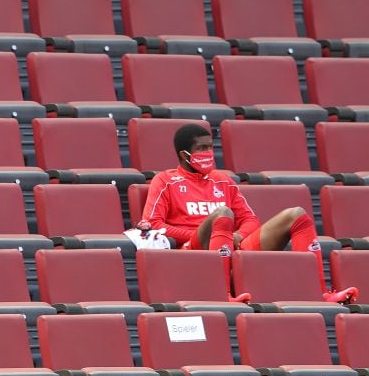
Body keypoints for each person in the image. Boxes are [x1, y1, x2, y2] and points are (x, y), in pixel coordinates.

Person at [141, 123, 358, 303]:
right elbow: (154, 224)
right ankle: (223, 295)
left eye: (210, 147)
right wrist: (217, 235)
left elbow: (250, 219)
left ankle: (320, 293)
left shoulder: (223, 180)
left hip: (233, 244)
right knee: (222, 213)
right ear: (183, 154)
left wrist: (235, 236)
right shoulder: (165, 180)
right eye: (201, 148)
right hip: (194, 249)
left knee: (297, 214)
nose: (208, 153)